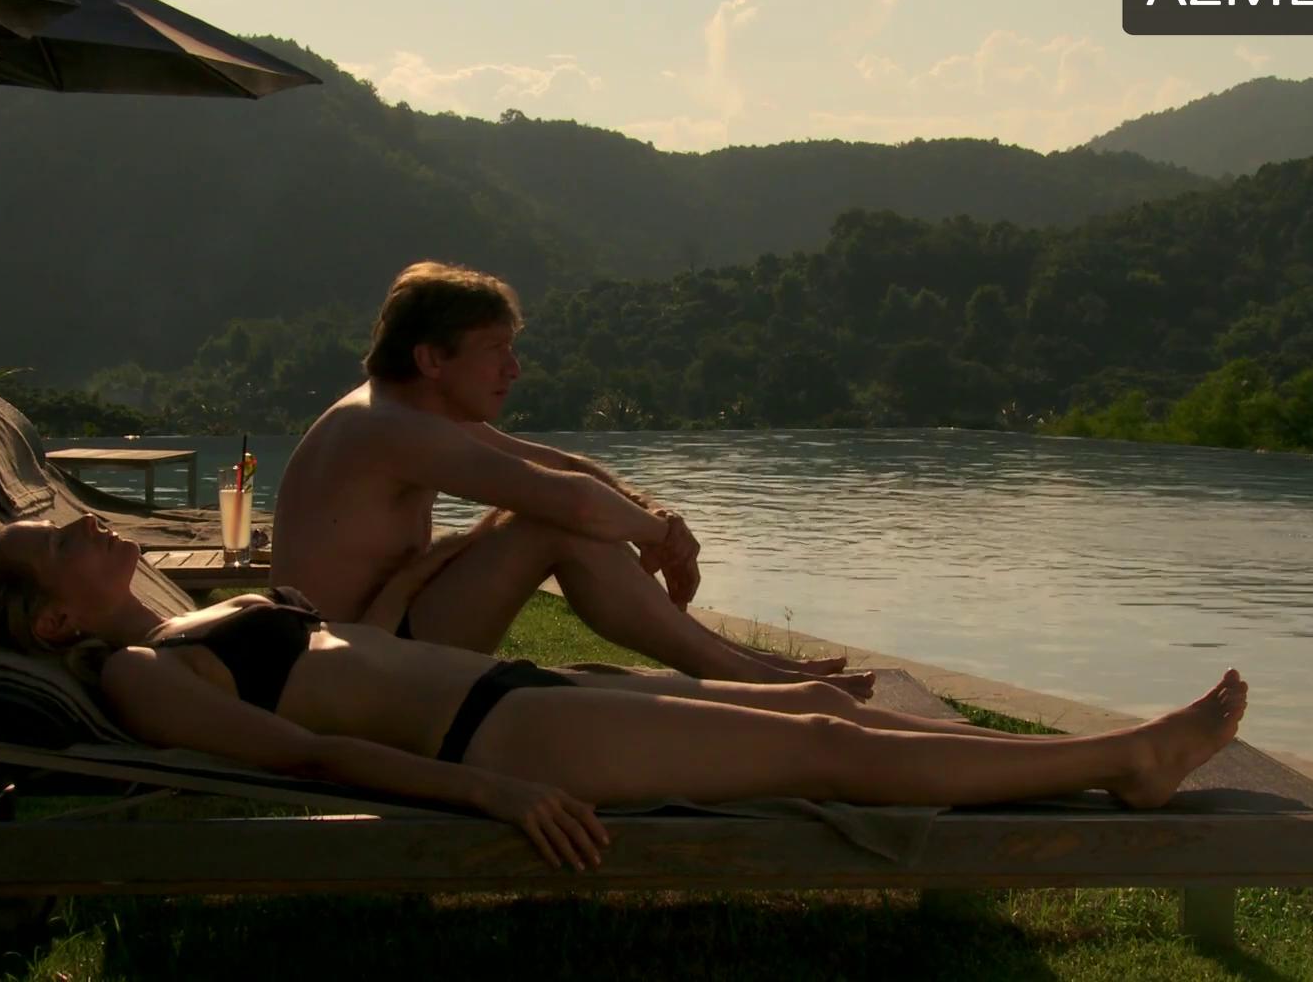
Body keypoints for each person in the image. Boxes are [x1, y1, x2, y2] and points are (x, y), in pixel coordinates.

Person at [0, 514, 1251, 871]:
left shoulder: (177, 623)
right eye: (63, 543)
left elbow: (343, 659)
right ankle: (1124, 760)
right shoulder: (140, 674)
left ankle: (1090, 762)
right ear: (55, 618)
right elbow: (302, 759)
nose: (86, 527)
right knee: (825, 745)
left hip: (513, 692)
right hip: (501, 736)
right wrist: (490, 796)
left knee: (831, 718)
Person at [273, 260, 873, 698]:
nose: (514, 369)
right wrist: (659, 534)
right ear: (431, 359)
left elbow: (560, 466)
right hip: (338, 674)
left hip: (376, 639)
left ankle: (755, 668)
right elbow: (574, 504)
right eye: (495, 349)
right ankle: (752, 679)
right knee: (552, 522)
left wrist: (651, 511)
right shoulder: (388, 427)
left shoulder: (408, 413)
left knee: (557, 519)